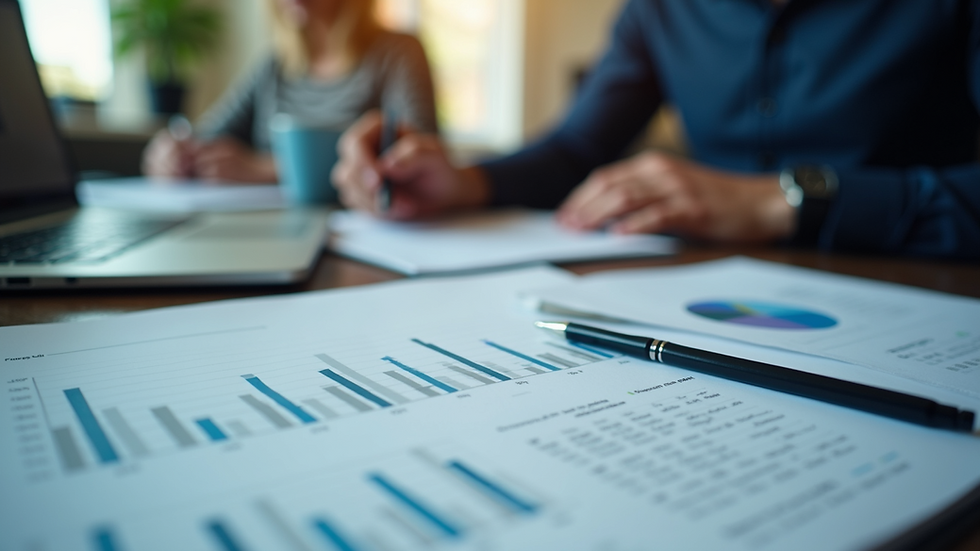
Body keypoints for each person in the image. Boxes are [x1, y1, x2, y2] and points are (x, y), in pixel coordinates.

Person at [333, 0, 980, 258]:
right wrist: (466, 182)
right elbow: (577, 148)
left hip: (923, 292)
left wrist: (780, 200)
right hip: (710, 292)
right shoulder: (662, 8)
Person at [142, 0, 438, 184]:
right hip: (264, 230)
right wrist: (173, 154)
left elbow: (420, 157)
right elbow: (205, 136)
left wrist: (264, 169)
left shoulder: (398, 54)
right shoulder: (273, 67)